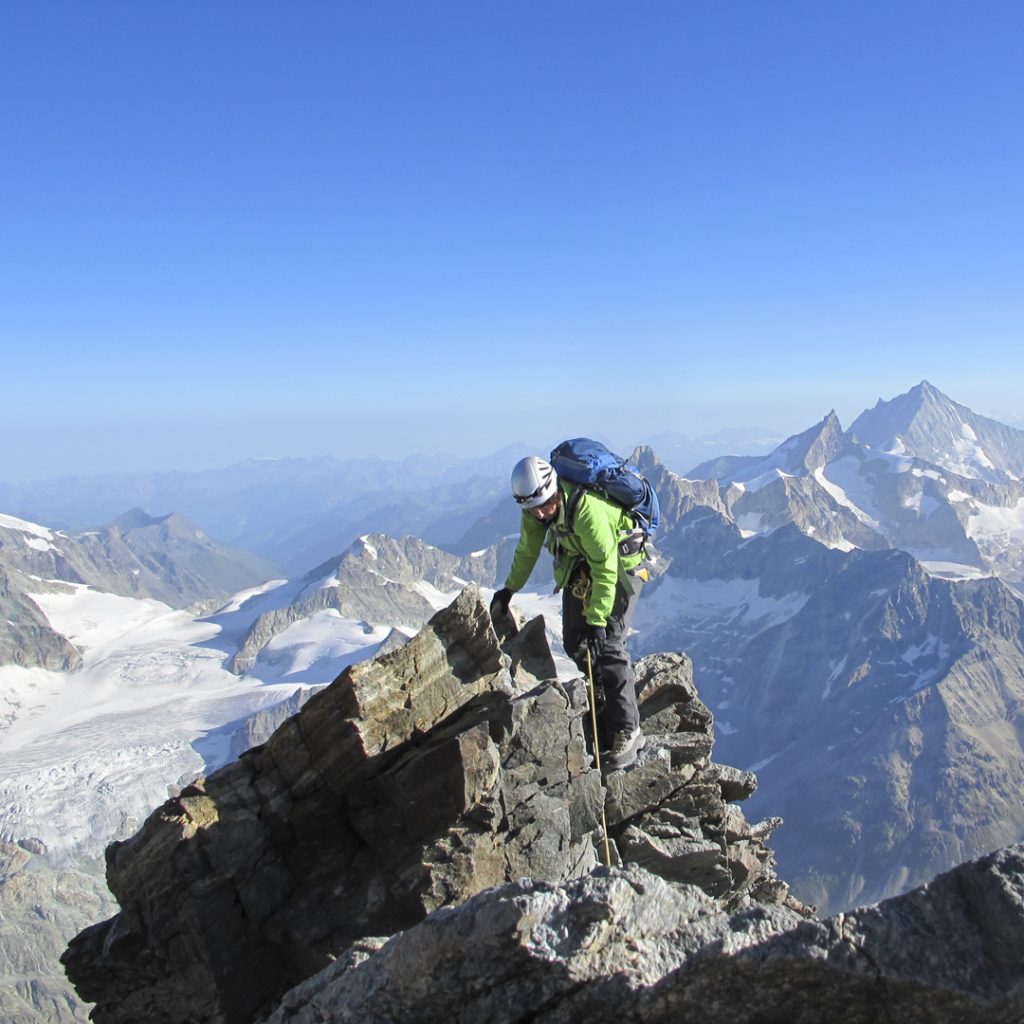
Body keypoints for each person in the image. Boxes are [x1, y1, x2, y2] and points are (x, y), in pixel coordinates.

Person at [490, 454, 650, 770]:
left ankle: (628, 729)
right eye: (532, 509)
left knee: (608, 644)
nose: (540, 514)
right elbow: (527, 550)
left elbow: (606, 568)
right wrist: (509, 589)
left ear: (554, 490)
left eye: (545, 505)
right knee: (575, 640)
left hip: (622, 566)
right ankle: (603, 698)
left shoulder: (586, 509)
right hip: (583, 563)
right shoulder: (535, 511)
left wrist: (598, 621)